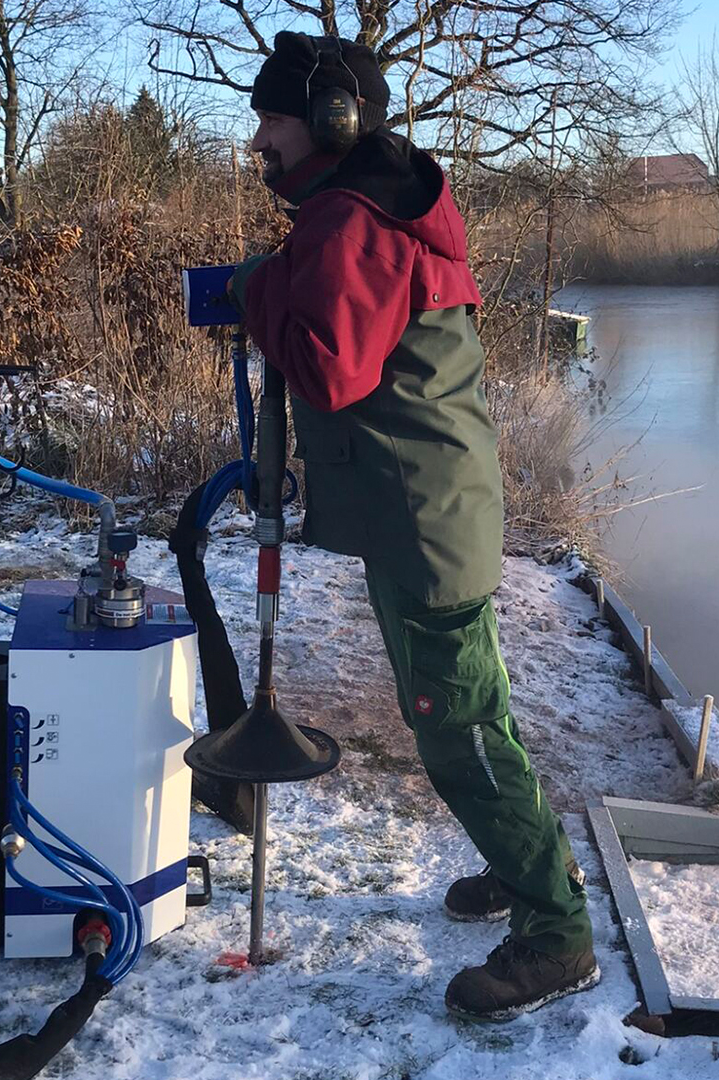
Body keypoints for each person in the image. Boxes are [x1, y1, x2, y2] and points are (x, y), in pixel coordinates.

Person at [220, 30, 598, 1022]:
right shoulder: (356, 209)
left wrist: (249, 289)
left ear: (329, 123)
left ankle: (557, 938)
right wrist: (273, 278)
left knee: (458, 730)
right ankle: (529, 874)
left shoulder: (352, 222)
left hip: (425, 520)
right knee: (474, 714)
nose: (258, 136)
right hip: (425, 509)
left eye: (272, 118)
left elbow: (329, 371)